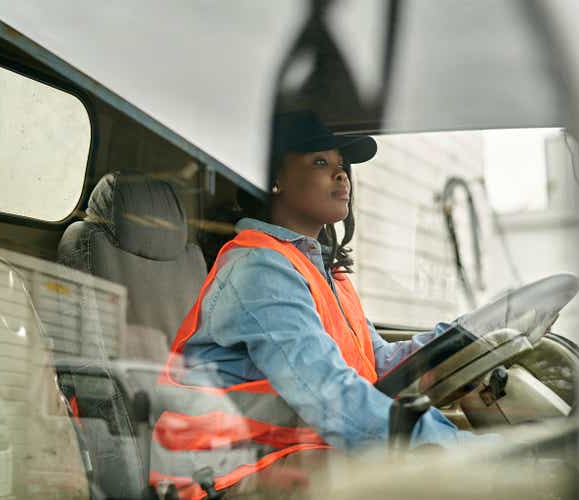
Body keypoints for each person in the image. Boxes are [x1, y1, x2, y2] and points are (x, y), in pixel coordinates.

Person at [149, 111, 481, 499]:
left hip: (288, 454)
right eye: (321, 162)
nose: (341, 175)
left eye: (343, 167)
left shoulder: (326, 274)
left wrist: (464, 337)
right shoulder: (259, 268)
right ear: (276, 179)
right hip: (224, 474)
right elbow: (329, 396)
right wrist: (458, 449)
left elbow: (380, 364)